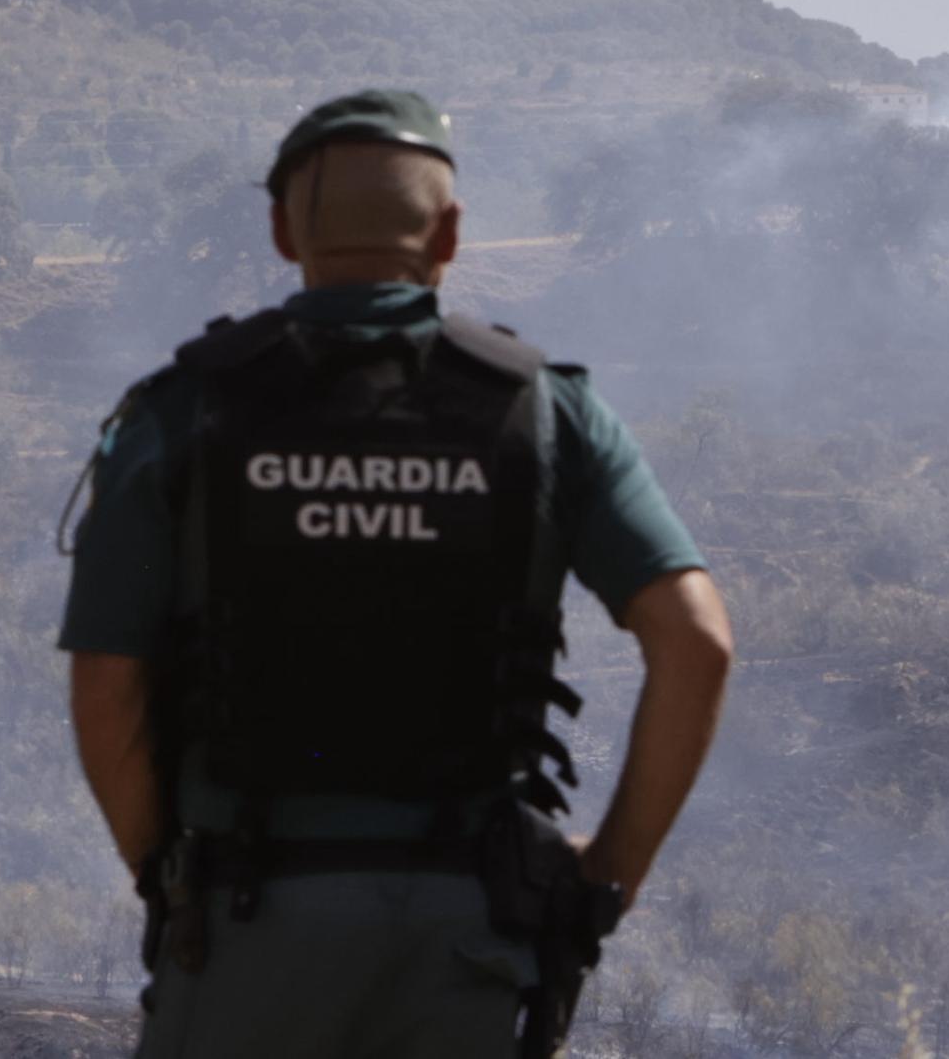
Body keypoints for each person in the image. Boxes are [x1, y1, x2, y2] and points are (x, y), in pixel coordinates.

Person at [62, 87, 735, 1059]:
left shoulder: (180, 413)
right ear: (450, 235)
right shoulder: (546, 415)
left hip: (244, 922)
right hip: (469, 940)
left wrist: (163, 876)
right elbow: (697, 643)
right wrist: (602, 878)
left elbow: (107, 679)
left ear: (282, 230)